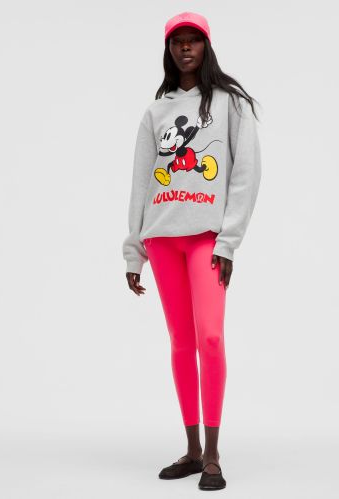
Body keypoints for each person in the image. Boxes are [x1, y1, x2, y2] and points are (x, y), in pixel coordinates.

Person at [122, 11, 262, 491]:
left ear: (206, 47)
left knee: (211, 338)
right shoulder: (155, 112)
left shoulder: (230, 103)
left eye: (194, 40)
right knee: (181, 343)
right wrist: (134, 251)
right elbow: (141, 184)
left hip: (206, 238)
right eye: (177, 41)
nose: (185, 48)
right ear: (168, 50)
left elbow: (245, 175)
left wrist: (229, 241)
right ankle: (193, 450)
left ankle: (215, 455)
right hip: (162, 239)